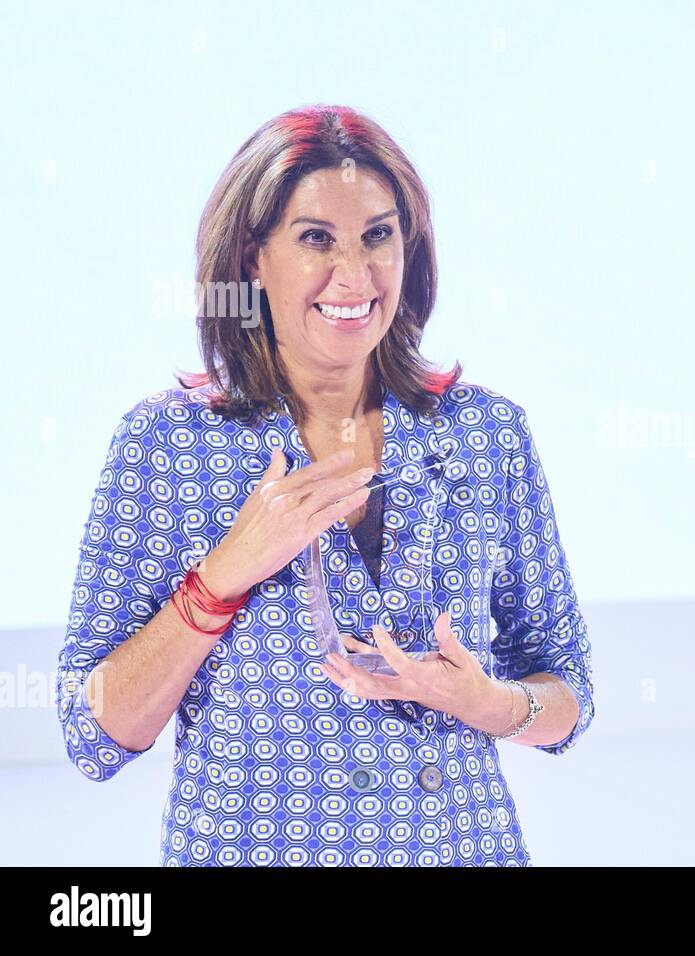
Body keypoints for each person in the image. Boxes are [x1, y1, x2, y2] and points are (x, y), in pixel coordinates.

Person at [58, 104, 594, 866]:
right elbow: (95, 734)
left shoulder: (484, 433)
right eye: (316, 239)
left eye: (378, 235)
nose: (354, 274)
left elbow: (568, 692)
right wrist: (222, 578)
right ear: (253, 260)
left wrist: (491, 704)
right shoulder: (169, 442)